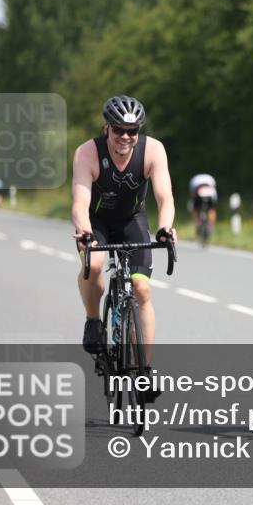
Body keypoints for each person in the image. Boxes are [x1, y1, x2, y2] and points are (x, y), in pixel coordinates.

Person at [71, 95, 176, 402]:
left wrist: (165, 228)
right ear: (107, 128)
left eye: (133, 130)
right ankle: (93, 321)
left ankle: (145, 370)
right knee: (92, 266)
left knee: (142, 291)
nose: (126, 137)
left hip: (133, 220)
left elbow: (165, 198)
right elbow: (79, 202)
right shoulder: (88, 153)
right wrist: (84, 231)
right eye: (119, 129)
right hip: (97, 222)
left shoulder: (153, 150)